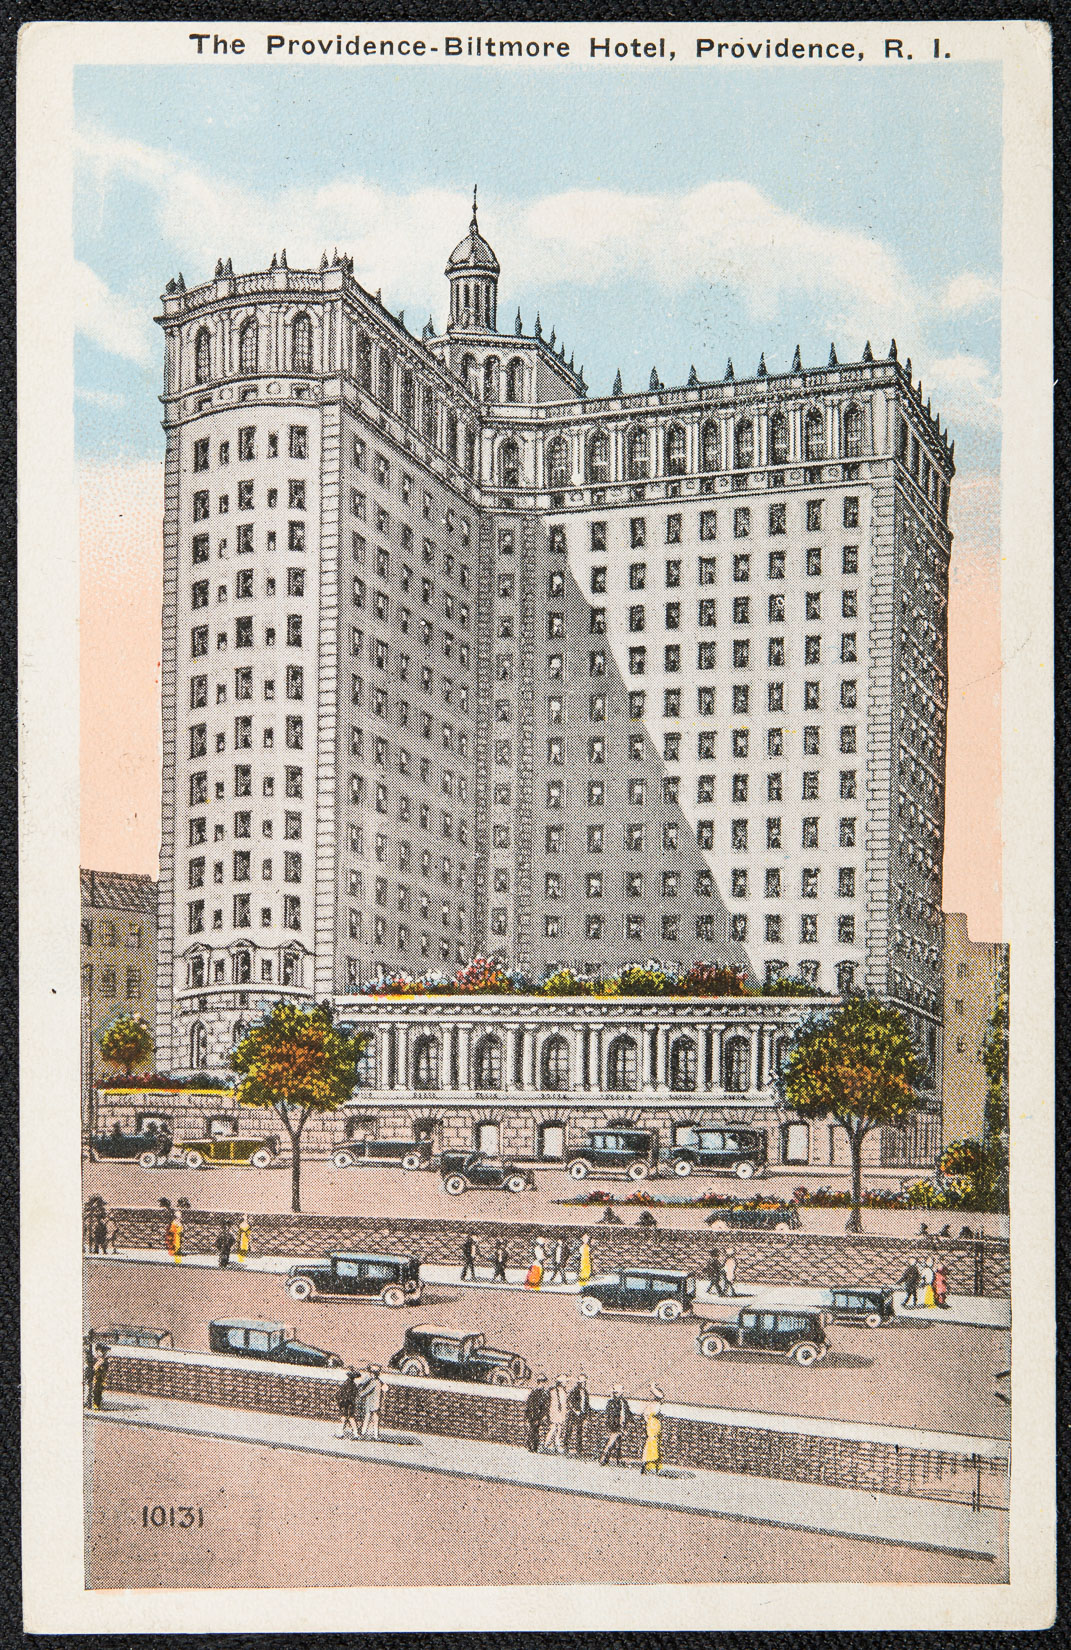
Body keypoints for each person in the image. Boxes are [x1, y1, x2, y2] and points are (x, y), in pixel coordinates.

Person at [599, 1385, 631, 1467]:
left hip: (623, 1426)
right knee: (611, 1443)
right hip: (615, 1427)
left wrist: (626, 1425)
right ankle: (603, 1459)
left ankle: (617, 1460)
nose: (617, 1393)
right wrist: (614, 1426)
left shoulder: (624, 1402)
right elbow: (610, 1416)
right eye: (615, 1392)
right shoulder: (611, 1402)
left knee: (619, 1444)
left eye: (618, 1391)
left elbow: (627, 1414)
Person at [564, 1374, 591, 1455]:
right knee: (569, 1430)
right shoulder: (574, 1391)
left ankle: (579, 1449)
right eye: (581, 1382)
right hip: (573, 1414)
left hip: (581, 1414)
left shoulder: (585, 1392)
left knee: (579, 1431)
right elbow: (569, 1402)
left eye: (584, 1382)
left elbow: (586, 1404)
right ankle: (566, 1447)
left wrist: (587, 1413)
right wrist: (575, 1410)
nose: (582, 1383)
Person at [640, 1388, 664, 1475]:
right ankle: (649, 1466)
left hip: (654, 1426)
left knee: (655, 1445)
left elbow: (645, 1415)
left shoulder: (653, 1405)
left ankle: (650, 1465)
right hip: (653, 1426)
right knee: (652, 1445)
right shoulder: (654, 1405)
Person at [524, 1376, 550, 1452]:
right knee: (533, 1430)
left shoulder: (543, 1393)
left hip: (538, 1415)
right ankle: (531, 1446)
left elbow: (545, 1405)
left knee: (535, 1430)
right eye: (542, 1382)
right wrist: (530, 1415)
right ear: (539, 1382)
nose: (543, 1384)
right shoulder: (534, 1392)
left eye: (544, 1383)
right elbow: (529, 1404)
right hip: (533, 1414)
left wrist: (542, 1415)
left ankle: (533, 1446)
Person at [544, 1376, 569, 1453]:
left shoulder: (563, 1392)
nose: (566, 1383)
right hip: (555, 1413)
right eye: (565, 1382)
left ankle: (556, 1445)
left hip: (560, 1413)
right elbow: (553, 1403)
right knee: (554, 1428)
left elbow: (564, 1404)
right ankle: (546, 1444)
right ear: (561, 1383)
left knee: (559, 1429)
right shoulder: (554, 1391)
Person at [359, 1365, 384, 1440]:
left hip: (371, 1402)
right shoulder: (379, 1381)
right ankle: (375, 1434)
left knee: (367, 1417)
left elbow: (366, 1391)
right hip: (376, 1402)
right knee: (375, 1419)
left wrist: (360, 1394)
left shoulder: (374, 1382)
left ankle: (363, 1432)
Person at [337, 1367, 360, 1439]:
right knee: (351, 1418)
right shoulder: (354, 1385)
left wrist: (340, 1401)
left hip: (345, 1402)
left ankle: (341, 1433)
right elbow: (355, 1394)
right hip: (350, 1403)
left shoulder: (345, 1384)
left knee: (344, 1417)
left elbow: (340, 1393)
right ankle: (355, 1433)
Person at [90, 1344, 110, 1412]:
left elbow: (104, 1369)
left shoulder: (104, 1361)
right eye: (103, 1351)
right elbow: (94, 1368)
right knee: (95, 1391)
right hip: (96, 1378)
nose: (105, 1353)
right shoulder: (96, 1359)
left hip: (100, 1378)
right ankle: (95, 1405)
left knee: (98, 1391)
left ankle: (97, 1405)